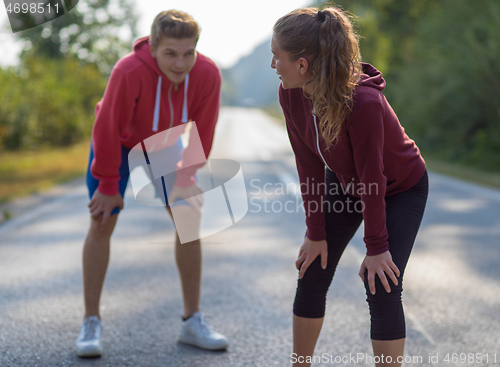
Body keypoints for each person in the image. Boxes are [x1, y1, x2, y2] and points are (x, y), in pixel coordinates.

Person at [271, 6, 428, 367]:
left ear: (303, 65)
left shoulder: (364, 102)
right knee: (312, 269)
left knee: (382, 283)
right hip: (346, 182)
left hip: (399, 186)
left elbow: (373, 178)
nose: (274, 65)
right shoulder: (290, 94)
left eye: (277, 57)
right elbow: (308, 164)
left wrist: (376, 248)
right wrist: (316, 232)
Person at [75, 10, 228, 357]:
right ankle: (90, 322)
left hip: (162, 142)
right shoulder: (128, 70)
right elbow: (107, 128)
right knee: (102, 220)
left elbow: (203, 131)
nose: (181, 63)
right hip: (121, 141)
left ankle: (192, 321)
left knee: (188, 217)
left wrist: (187, 177)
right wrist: (108, 184)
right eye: (171, 53)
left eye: (188, 52)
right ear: (154, 47)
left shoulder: (207, 74)